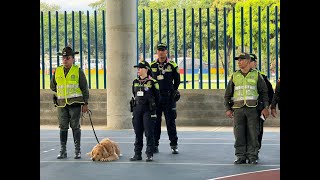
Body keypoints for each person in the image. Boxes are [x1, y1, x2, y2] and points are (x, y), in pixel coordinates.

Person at [224, 52, 269, 165]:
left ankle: (252, 156)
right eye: (238, 60)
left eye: (241, 60)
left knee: (253, 133)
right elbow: (227, 94)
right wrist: (228, 109)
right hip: (238, 110)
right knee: (239, 133)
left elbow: (264, 92)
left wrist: (265, 107)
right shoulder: (235, 76)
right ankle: (240, 156)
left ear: (248, 62)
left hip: (252, 109)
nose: (239, 62)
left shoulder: (256, 75)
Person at [50, 46, 89, 159]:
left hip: (75, 104)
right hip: (61, 104)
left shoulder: (78, 71)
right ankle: (63, 150)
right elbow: (53, 86)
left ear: (73, 59)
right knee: (63, 127)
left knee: (75, 127)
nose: (65, 60)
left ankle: (77, 150)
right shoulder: (57, 70)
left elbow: (84, 88)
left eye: (67, 58)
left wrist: (85, 103)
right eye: (63, 58)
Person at [150, 43, 181, 154]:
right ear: (157, 52)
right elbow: (149, 80)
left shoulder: (172, 65)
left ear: (166, 52)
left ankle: (174, 145)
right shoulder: (152, 65)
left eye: (163, 50)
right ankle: (155, 145)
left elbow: (177, 80)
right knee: (156, 122)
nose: (161, 52)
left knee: (170, 122)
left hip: (168, 98)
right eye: (159, 50)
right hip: (156, 98)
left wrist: (174, 91)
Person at [130, 61, 160, 162]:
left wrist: (153, 108)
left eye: (140, 68)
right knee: (138, 133)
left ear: (146, 69)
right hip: (137, 109)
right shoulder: (135, 82)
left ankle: (149, 154)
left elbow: (158, 98)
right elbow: (134, 94)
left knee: (149, 133)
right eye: (137, 68)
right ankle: (137, 154)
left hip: (148, 110)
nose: (138, 70)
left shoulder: (153, 82)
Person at [249, 53, 274, 157]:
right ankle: (244, 153)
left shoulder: (262, 77)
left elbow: (270, 94)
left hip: (259, 109)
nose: (248, 63)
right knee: (242, 131)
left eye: (250, 61)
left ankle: (255, 151)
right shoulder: (237, 76)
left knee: (257, 131)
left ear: (255, 63)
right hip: (243, 109)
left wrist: (266, 107)